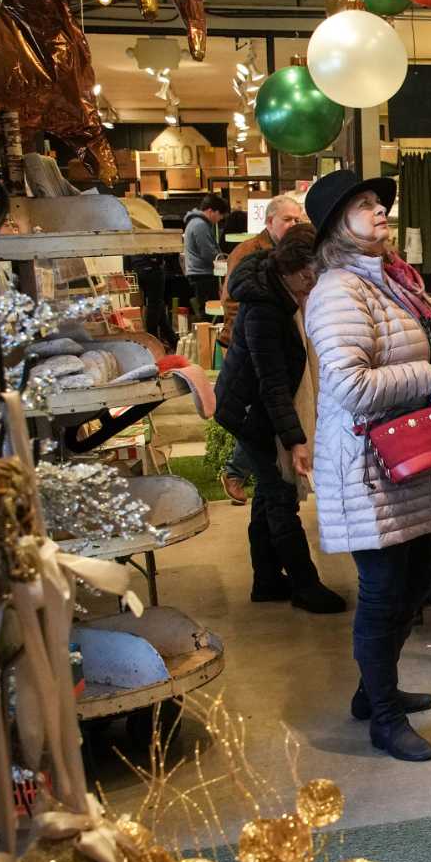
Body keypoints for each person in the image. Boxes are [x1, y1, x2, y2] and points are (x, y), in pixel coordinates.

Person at [305, 169, 431, 763]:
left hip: (398, 459)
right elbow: (349, 385)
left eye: (380, 204)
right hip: (364, 467)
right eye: (365, 205)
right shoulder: (337, 292)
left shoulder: (388, 284)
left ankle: (372, 691)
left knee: (414, 580)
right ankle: (384, 719)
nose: (381, 212)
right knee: (383, 592)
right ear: (336, 226)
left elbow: (396, 356)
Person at [213, 225, 346, 616]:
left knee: (268, 496)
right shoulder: (264, 308)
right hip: (250, 411)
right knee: (280, 495)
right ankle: (305, 584)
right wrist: (296, 439)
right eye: (307, 273)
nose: (312, 281)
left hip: (257, 405)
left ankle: (267, 580)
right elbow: (272, 383)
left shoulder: (282, 292)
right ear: (290, 268)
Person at [219, 192, 306, 505]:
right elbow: (231, 303)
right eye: (288, 219)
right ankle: (235, 472)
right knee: (262, 411)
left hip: (272, 343)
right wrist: (242, 337)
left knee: (271, 412)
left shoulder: (292, 253)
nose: (293, 224)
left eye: (298, 219)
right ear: (270, 222)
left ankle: (251, 477)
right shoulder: (248, 253)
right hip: (249, 346)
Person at [181, 192, 228, 329]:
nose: (219, 219)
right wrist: (224, 263)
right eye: (219, 215)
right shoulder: (200, 225)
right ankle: (208, 343)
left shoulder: (197, 223)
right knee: (208, 314)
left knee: (207, 312)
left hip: (200, 273)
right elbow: (208, 253)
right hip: (202, 274)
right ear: (210, 211)